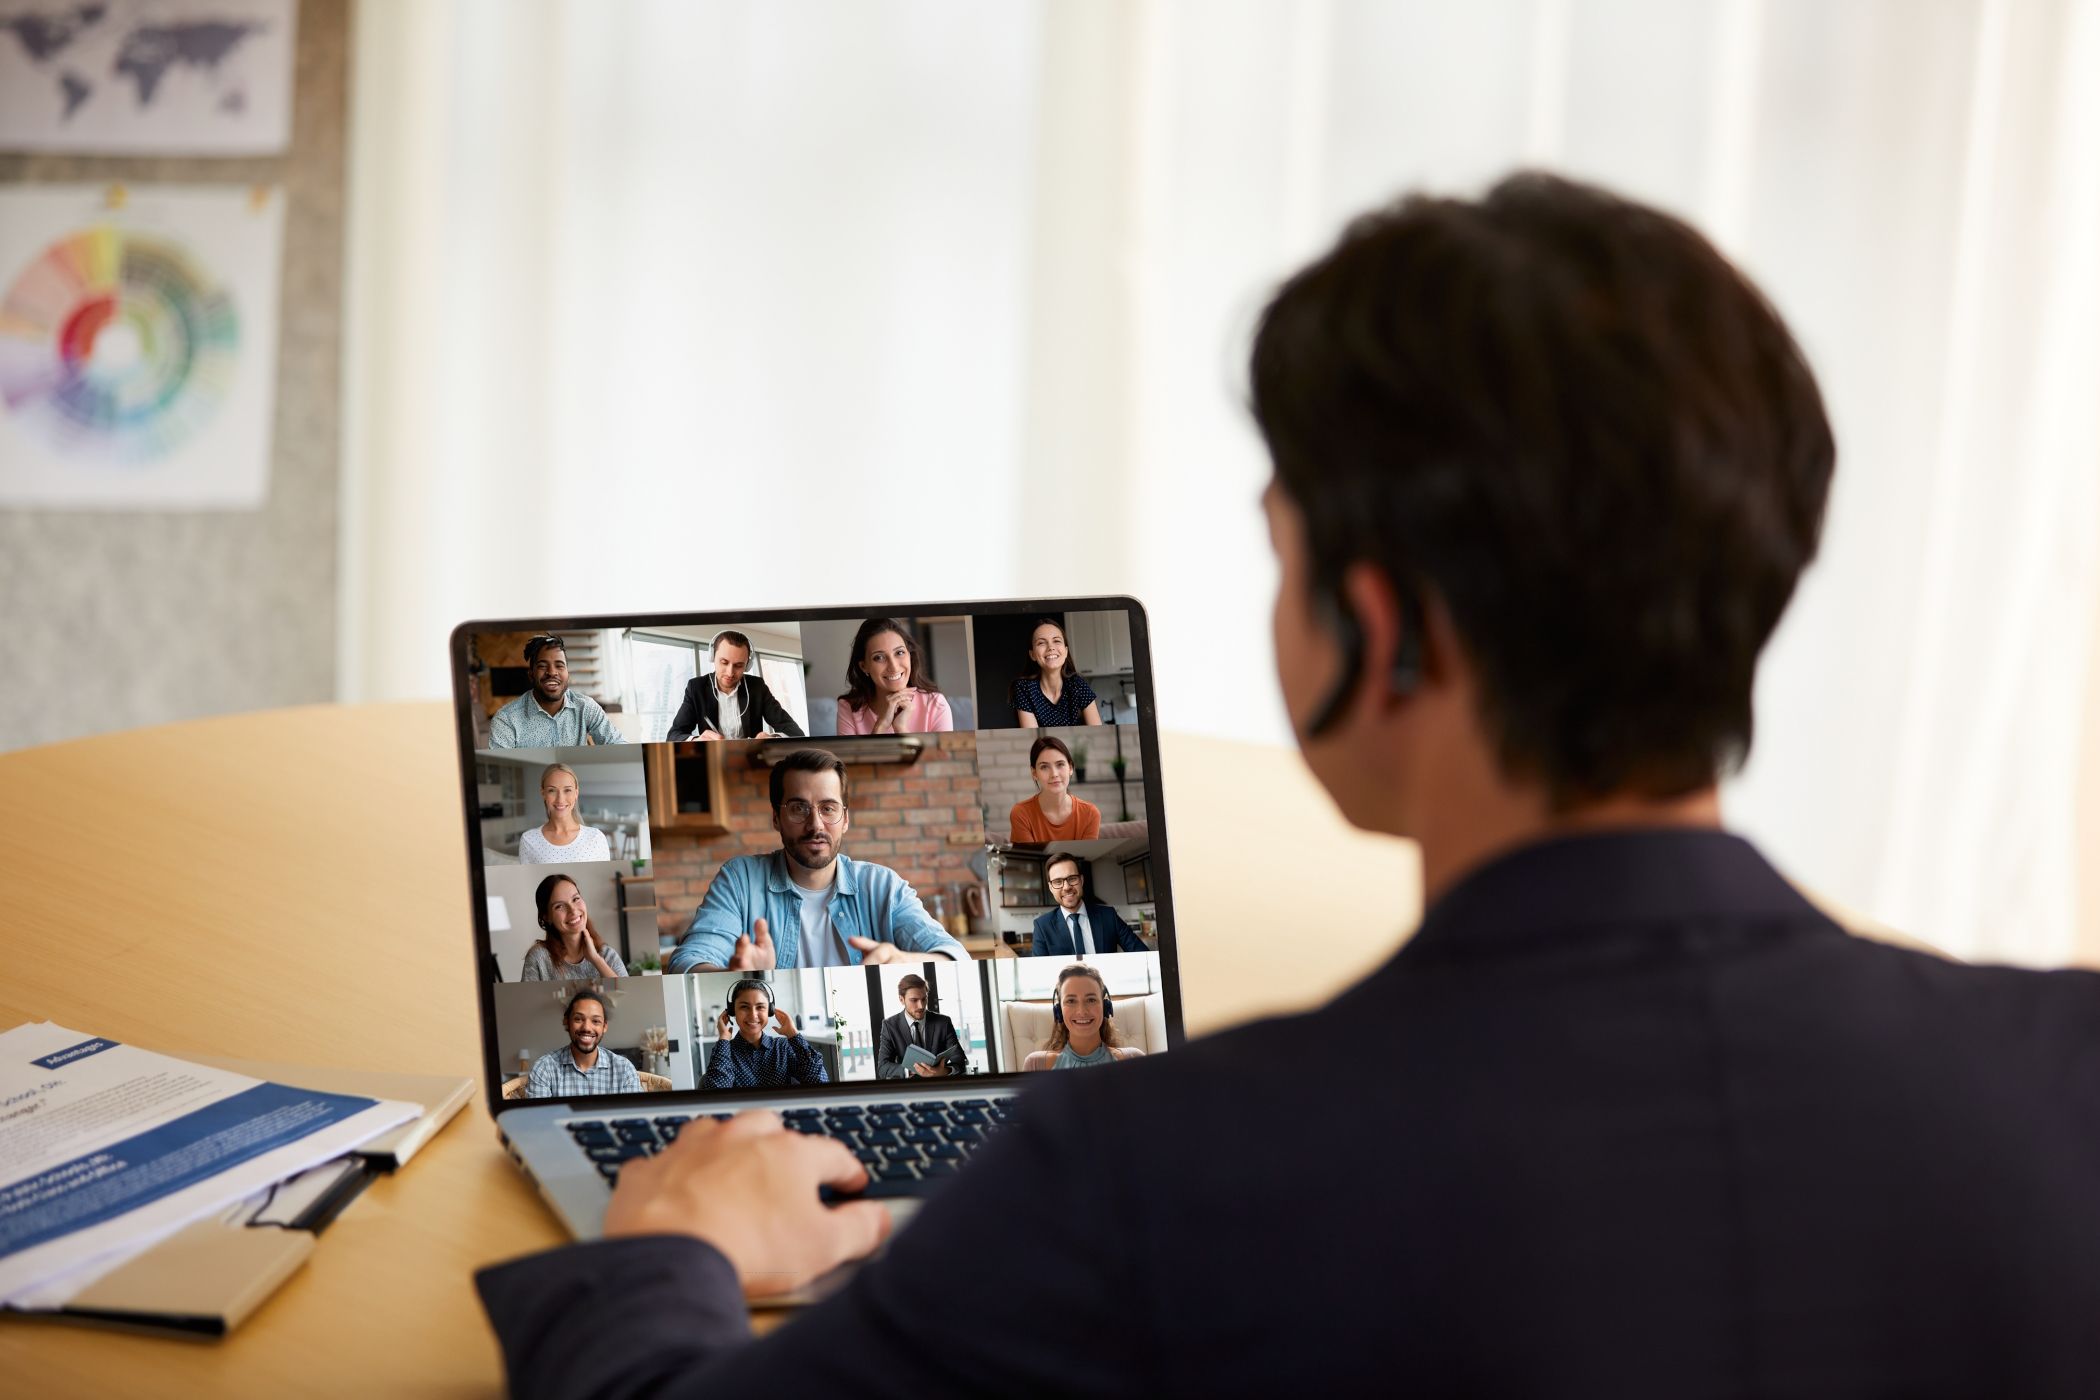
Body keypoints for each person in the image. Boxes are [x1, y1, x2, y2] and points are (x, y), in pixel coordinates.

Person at [478, 174, 2100, 1395]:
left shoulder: (1150, 1178)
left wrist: (674, 1254)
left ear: (1377, 627)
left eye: (1283, 557)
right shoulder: (2070, 1071)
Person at [665, 748, 968, 971]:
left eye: (828, 808)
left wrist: (904, 960)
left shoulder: (882, 886)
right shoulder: (740, 879)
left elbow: (955, 956)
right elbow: (688, 960)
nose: (815, 826)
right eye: (799, 808)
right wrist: (739, 978)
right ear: (776, 818)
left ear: (845, 819)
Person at [488, 633, 626, 748]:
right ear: (531, 674)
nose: (552, 672)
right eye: (542, 666)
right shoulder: (506, 719)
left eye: (559, 665)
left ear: (568, 674)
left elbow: (618, 744)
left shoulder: (586, 707)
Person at [667, 630, 805, 741]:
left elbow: (794, 731)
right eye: (724, 662)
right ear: (712, 657)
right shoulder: (696, 687)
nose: (730, 672)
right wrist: (697, 740)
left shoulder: (757, 687)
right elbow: (674, 735)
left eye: (739, 665)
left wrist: (772, 737)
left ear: (747, 665)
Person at [702, 978, 829, 1089]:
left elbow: (819, 1082)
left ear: (770, 1011)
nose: (753, 1015)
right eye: (744, 1007)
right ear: (732, 1011)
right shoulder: (724, 1051)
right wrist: (723, 1038)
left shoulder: (783, 1047)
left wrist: (794, 1034)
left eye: (760, 1007)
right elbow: (716, 1095)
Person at [834, 618, 953, 734]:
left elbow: (940, 755)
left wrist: (901, 728)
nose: (894, 667)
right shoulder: (848, 708)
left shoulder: (936, 703)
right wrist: (881, 725)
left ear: (909, 655)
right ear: (864, 666)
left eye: (899, 652)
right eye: (879, 657)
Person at [1021, 964, 1143, 1071]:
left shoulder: (1135, 1059)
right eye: (1071, 1001)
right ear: (1059, 1010)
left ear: (1105, 1006)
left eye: (1091, 1000)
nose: (1082, 1011)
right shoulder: (1036, 1064)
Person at [522, 989, 639, 1098]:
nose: (587, 1028)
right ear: (566, 1022)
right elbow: (539, 1118)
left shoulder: (624, 1069)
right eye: (578, 1019)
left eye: (596, 1021)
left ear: (604, 1026)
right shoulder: (544, 1068)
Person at [1026, 852, 1145, 957]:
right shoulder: (1042, 926)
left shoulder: (1109, 916)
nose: (1067, 887)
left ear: (1081, 880)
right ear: (1051, 887)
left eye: (1072, 879)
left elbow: (1142, 954)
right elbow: (1040, 972)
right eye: (1058, 882)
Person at [518, 872, 628, 981]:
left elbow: (626, 994)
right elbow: (525, 998)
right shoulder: (538, 958)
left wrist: (596, 959)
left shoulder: (607, 955)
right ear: (547, 917)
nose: (573, 910)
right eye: (559, 906)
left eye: (576, 899)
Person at [1007, 735, 1101, 843]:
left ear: (1070, 768)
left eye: (1060, 764)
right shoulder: (1021, 813)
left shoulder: (1090, 814)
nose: (1054, 774)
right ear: (1034, 773)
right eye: (1044, 767)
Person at [874, 973, 968, 1079]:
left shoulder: (943, 1022)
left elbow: (960, 1060)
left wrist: (944, 1071)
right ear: (901, 999)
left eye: (924, 999)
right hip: (909, 1090)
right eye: (914, 1000)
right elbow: (883, 1068)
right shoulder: (890, 1026)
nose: (921, 1006)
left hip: (939, 1086)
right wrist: (910, 1070)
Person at [1011, 617, 1102, 727]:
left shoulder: (1077, 684)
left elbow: (1096, 728)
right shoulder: (1024, 689)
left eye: (1057, 641)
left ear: (1066, 651)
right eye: (1041, 643)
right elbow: (1036, 740)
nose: (1051, 647)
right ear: (1032, 654)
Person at [516, 763, 611, 865]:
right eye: (552, 790)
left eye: (567, 790)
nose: (560, 799)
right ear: (543, 793)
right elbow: (528, 881)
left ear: (576, 793)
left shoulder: (595, 838)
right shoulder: (529, 840)